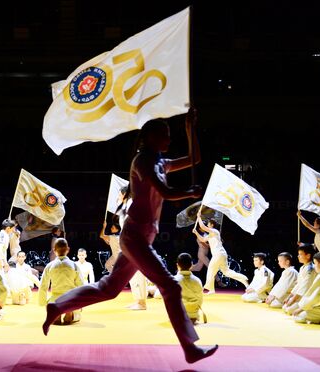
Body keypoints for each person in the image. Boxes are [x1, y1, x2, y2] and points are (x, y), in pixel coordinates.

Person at [42, 111, 218, 364]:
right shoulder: (143, 161)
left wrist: (191, 131)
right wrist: (187, 192)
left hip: (141, 238)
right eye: (165, 135)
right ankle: (189, 348)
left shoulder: (160, 161)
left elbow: (195, 159)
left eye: (170, 135)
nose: (169, 139)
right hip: (135, 237)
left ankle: (57, 306)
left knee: (109, 288)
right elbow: (165, 191)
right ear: (150, 137)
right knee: (170, 286)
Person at [193, 216, 249, 294]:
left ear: (212, 225)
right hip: (221, 254)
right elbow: (202, 239)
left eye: (208, 223)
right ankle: (243, 280)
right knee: (226, 272)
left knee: (211, 270)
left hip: (218, 254)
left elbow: (202, 226)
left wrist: (199, 217)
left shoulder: (215, 231)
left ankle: (209, 288)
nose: (207, 224)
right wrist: (196, 233)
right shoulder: (210, 235)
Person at [39, 238, 83, 325]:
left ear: (54, 250)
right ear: (68, 249)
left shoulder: (49, 266)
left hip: (55, 300)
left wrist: (43, 303)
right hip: (70, 299)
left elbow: (43, 286)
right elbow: (81, 286)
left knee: (52, 303)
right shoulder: (74, 265)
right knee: (76, 312)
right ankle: (69, 311)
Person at [282, 244, 317, 315]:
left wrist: (292, 300)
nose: (298, 256)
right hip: (300, 296)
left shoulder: (311, 268)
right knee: (285, 307)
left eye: (300, 254)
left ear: (308, 256)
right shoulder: (302, 268)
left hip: (307, 297)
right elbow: (298, 285)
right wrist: (289, 297)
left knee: (289, 309)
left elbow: (305, 286)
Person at [175, 253, 204, 324]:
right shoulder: (197, 280)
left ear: (177, 265)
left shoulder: (174, 280)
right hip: (193, 316)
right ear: (191, 265)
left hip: (179, 316)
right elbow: (200, 300)